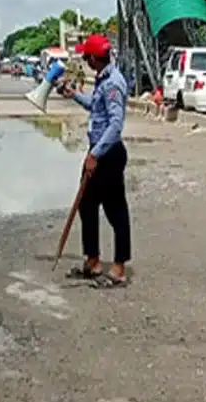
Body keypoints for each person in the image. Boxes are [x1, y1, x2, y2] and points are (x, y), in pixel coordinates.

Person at [59, 34, 130, 288]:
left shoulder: (112, 83)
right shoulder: (104, 79)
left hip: (107, 154)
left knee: (108, 208)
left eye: (86, 56)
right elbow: (96, 107)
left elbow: (115, 125)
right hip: (103, 151)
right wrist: (74, 95)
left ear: (92, 58)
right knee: (92, 206)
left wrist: (94, 155)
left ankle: (116, 266)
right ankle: (94, 261)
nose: (86, 61)